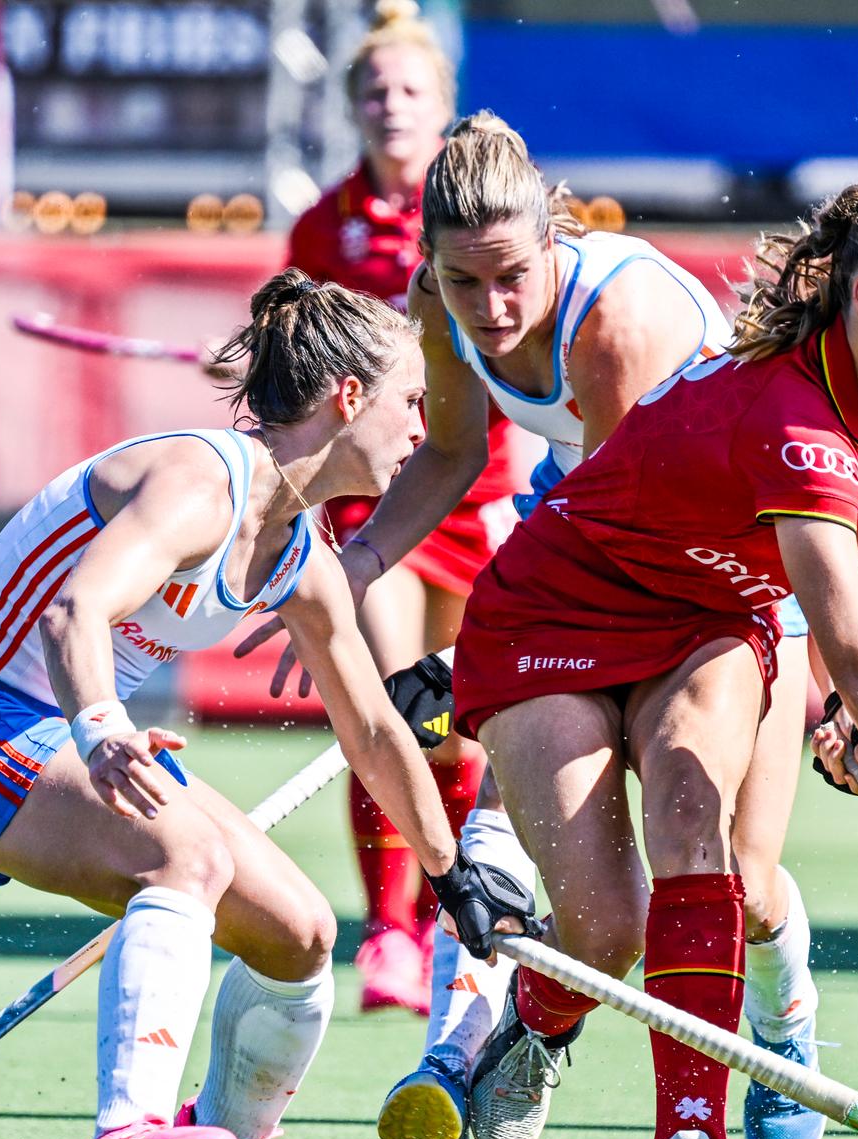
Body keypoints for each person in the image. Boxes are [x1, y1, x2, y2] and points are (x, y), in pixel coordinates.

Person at [0, 270, 529, 1139]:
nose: (419, 427)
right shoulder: (202, 479)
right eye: (407, 400)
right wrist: (102, 727)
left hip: (67, 733)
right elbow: (75, 608)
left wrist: (453, 874)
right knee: (189, 856)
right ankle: (121, 1136)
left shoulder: (300, 554)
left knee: (299, 930)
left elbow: (377, 732)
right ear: (349, 398)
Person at [247, 110, 829, 1139]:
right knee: (602, 922)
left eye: (512, 276)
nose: (493, 310)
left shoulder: (616, 325)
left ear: (554, 236)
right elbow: (457, 451)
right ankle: (564, 1053)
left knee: (737, 879)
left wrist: (458, 664)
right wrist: (355, 572)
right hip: (586, 561)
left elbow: (625, 527)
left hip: (725, 576)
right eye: (463, 284)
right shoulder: (445, 303)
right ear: (430, 266)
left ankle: (783, 1022)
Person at [446, 184, 858, 1139]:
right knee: (602, 925)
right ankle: (536, 1022)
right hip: (556, 607)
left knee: (696, 824)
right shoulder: (795, 418)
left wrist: (854, 710)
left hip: (709, 616)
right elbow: (855, 648)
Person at [280, 0, 521, 1017]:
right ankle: (389, 925)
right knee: (386, 698)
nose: (391, 106)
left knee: (461, 727)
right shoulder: (320, 225)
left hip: (483, 475)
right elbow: (294, 362)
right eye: (374, 90)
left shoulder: (469, 211)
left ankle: (440, 911)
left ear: (443, 106)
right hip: (379, 489)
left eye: (410, 90)